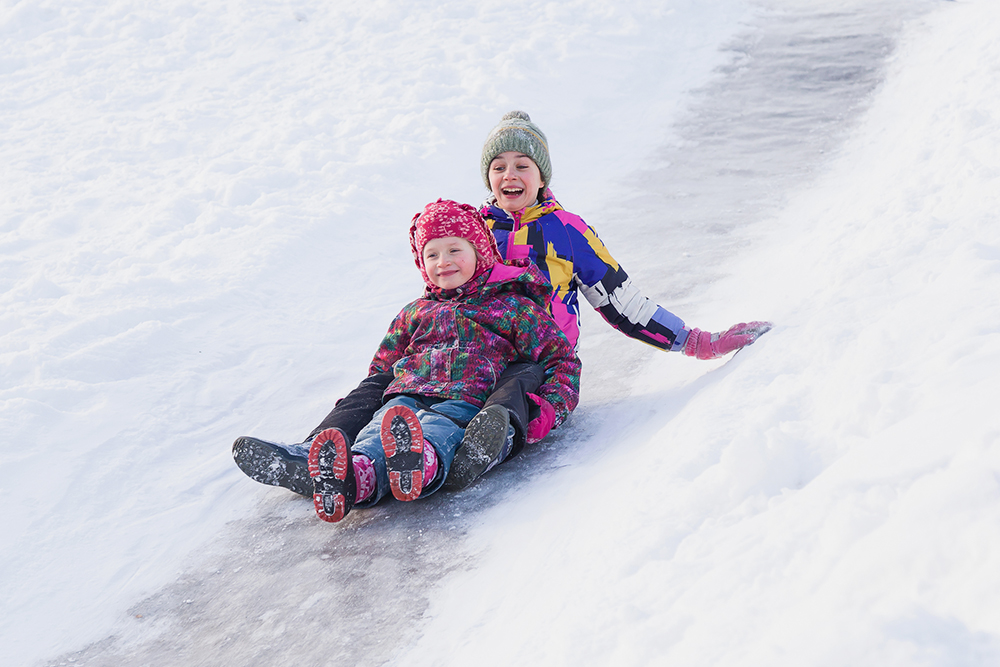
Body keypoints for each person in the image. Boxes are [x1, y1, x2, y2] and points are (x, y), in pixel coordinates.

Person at [232, 112, 769, 499]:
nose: (509, 176)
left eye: (522, 165)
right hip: (466, 350)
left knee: (516, 379)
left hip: (534, 350)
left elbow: (620, 299)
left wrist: (696, 340)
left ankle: (473, 445)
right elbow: (440, 278)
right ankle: (316, 457)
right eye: (498, 166)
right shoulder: (475, 226)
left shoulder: (567, 232)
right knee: (380, 384)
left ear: (542, 175)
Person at [297, 199, 578, 522]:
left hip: (465, 397)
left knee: (436, 430)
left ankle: (422, 463)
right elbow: (382, 367)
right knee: (376, 436)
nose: (443, 261)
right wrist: (364, 409)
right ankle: (355, 481)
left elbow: (561, 359)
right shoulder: (415, 312)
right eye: (432, 254)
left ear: (480, 251)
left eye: (454, 250)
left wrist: (551, 406)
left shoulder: (512, 307)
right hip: (404, 397)